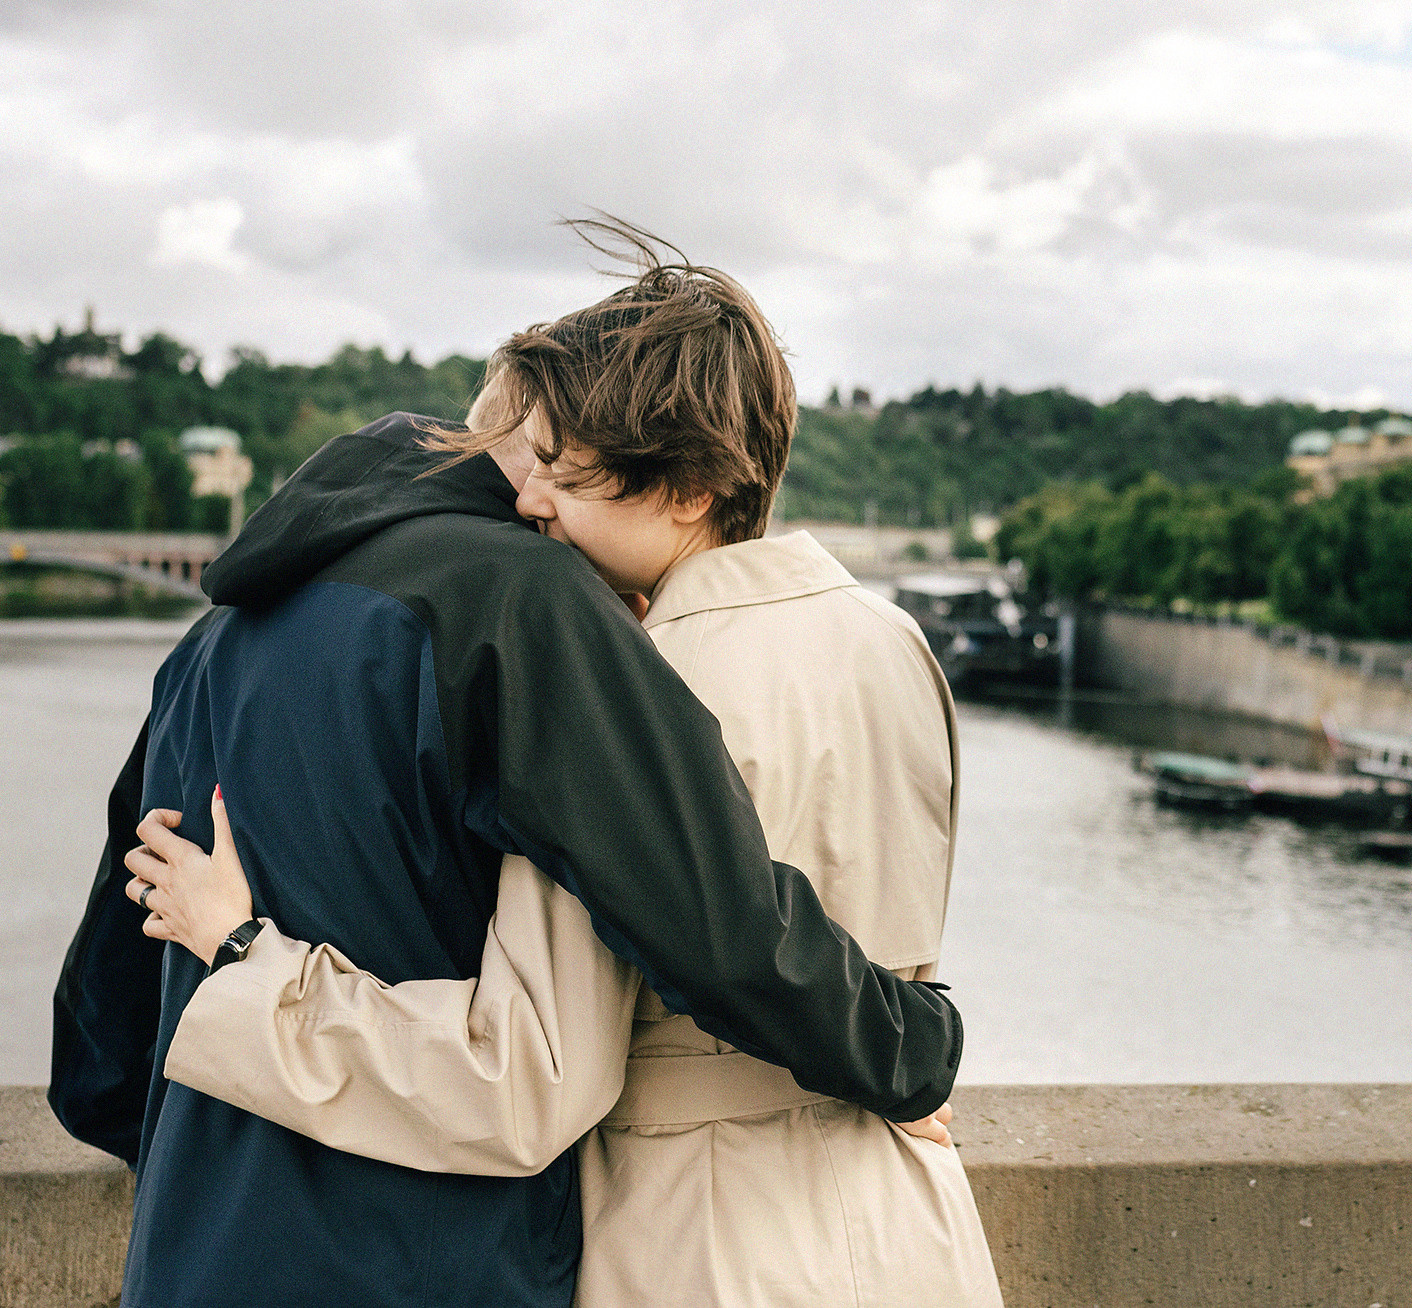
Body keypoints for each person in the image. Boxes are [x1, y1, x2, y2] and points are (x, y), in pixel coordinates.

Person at [48, 227, 963, 1308]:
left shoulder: (211, 640)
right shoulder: (885, 642)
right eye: (548, 463)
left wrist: (228, 1008)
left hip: (210, 1246)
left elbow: (99, 1052)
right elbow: (709, 940)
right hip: (838, 1223)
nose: (538, 504)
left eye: (568, 472)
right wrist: (909, 1048)